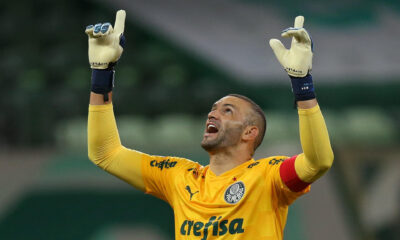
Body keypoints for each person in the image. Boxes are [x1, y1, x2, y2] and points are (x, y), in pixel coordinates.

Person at [86, 10, 334, 240]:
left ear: (250, 132)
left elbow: (318, 161)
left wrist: (302, 85)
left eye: (227, 111)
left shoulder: (268, 177)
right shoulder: (178, 176)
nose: (212, 115)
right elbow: (105, 153)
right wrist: (101, 74)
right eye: (213, 109)